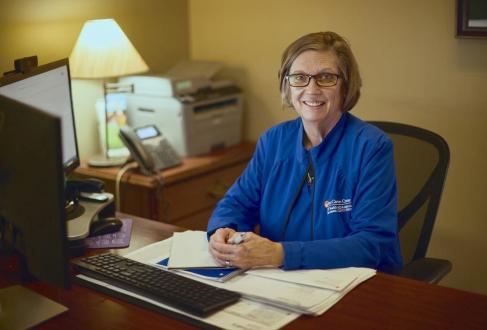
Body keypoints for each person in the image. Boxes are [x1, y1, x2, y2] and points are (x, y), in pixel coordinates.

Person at [207, 31, 403, 272]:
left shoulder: (371, 147)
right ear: (287, 84)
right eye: (299, 77)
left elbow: (371, 244)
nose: (312, 89)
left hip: (357, 288)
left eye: (326, 77)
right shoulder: (273, 141)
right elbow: (236, 203)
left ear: (345, 85)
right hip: (282, 283)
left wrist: (281, 254)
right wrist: (223, 229)